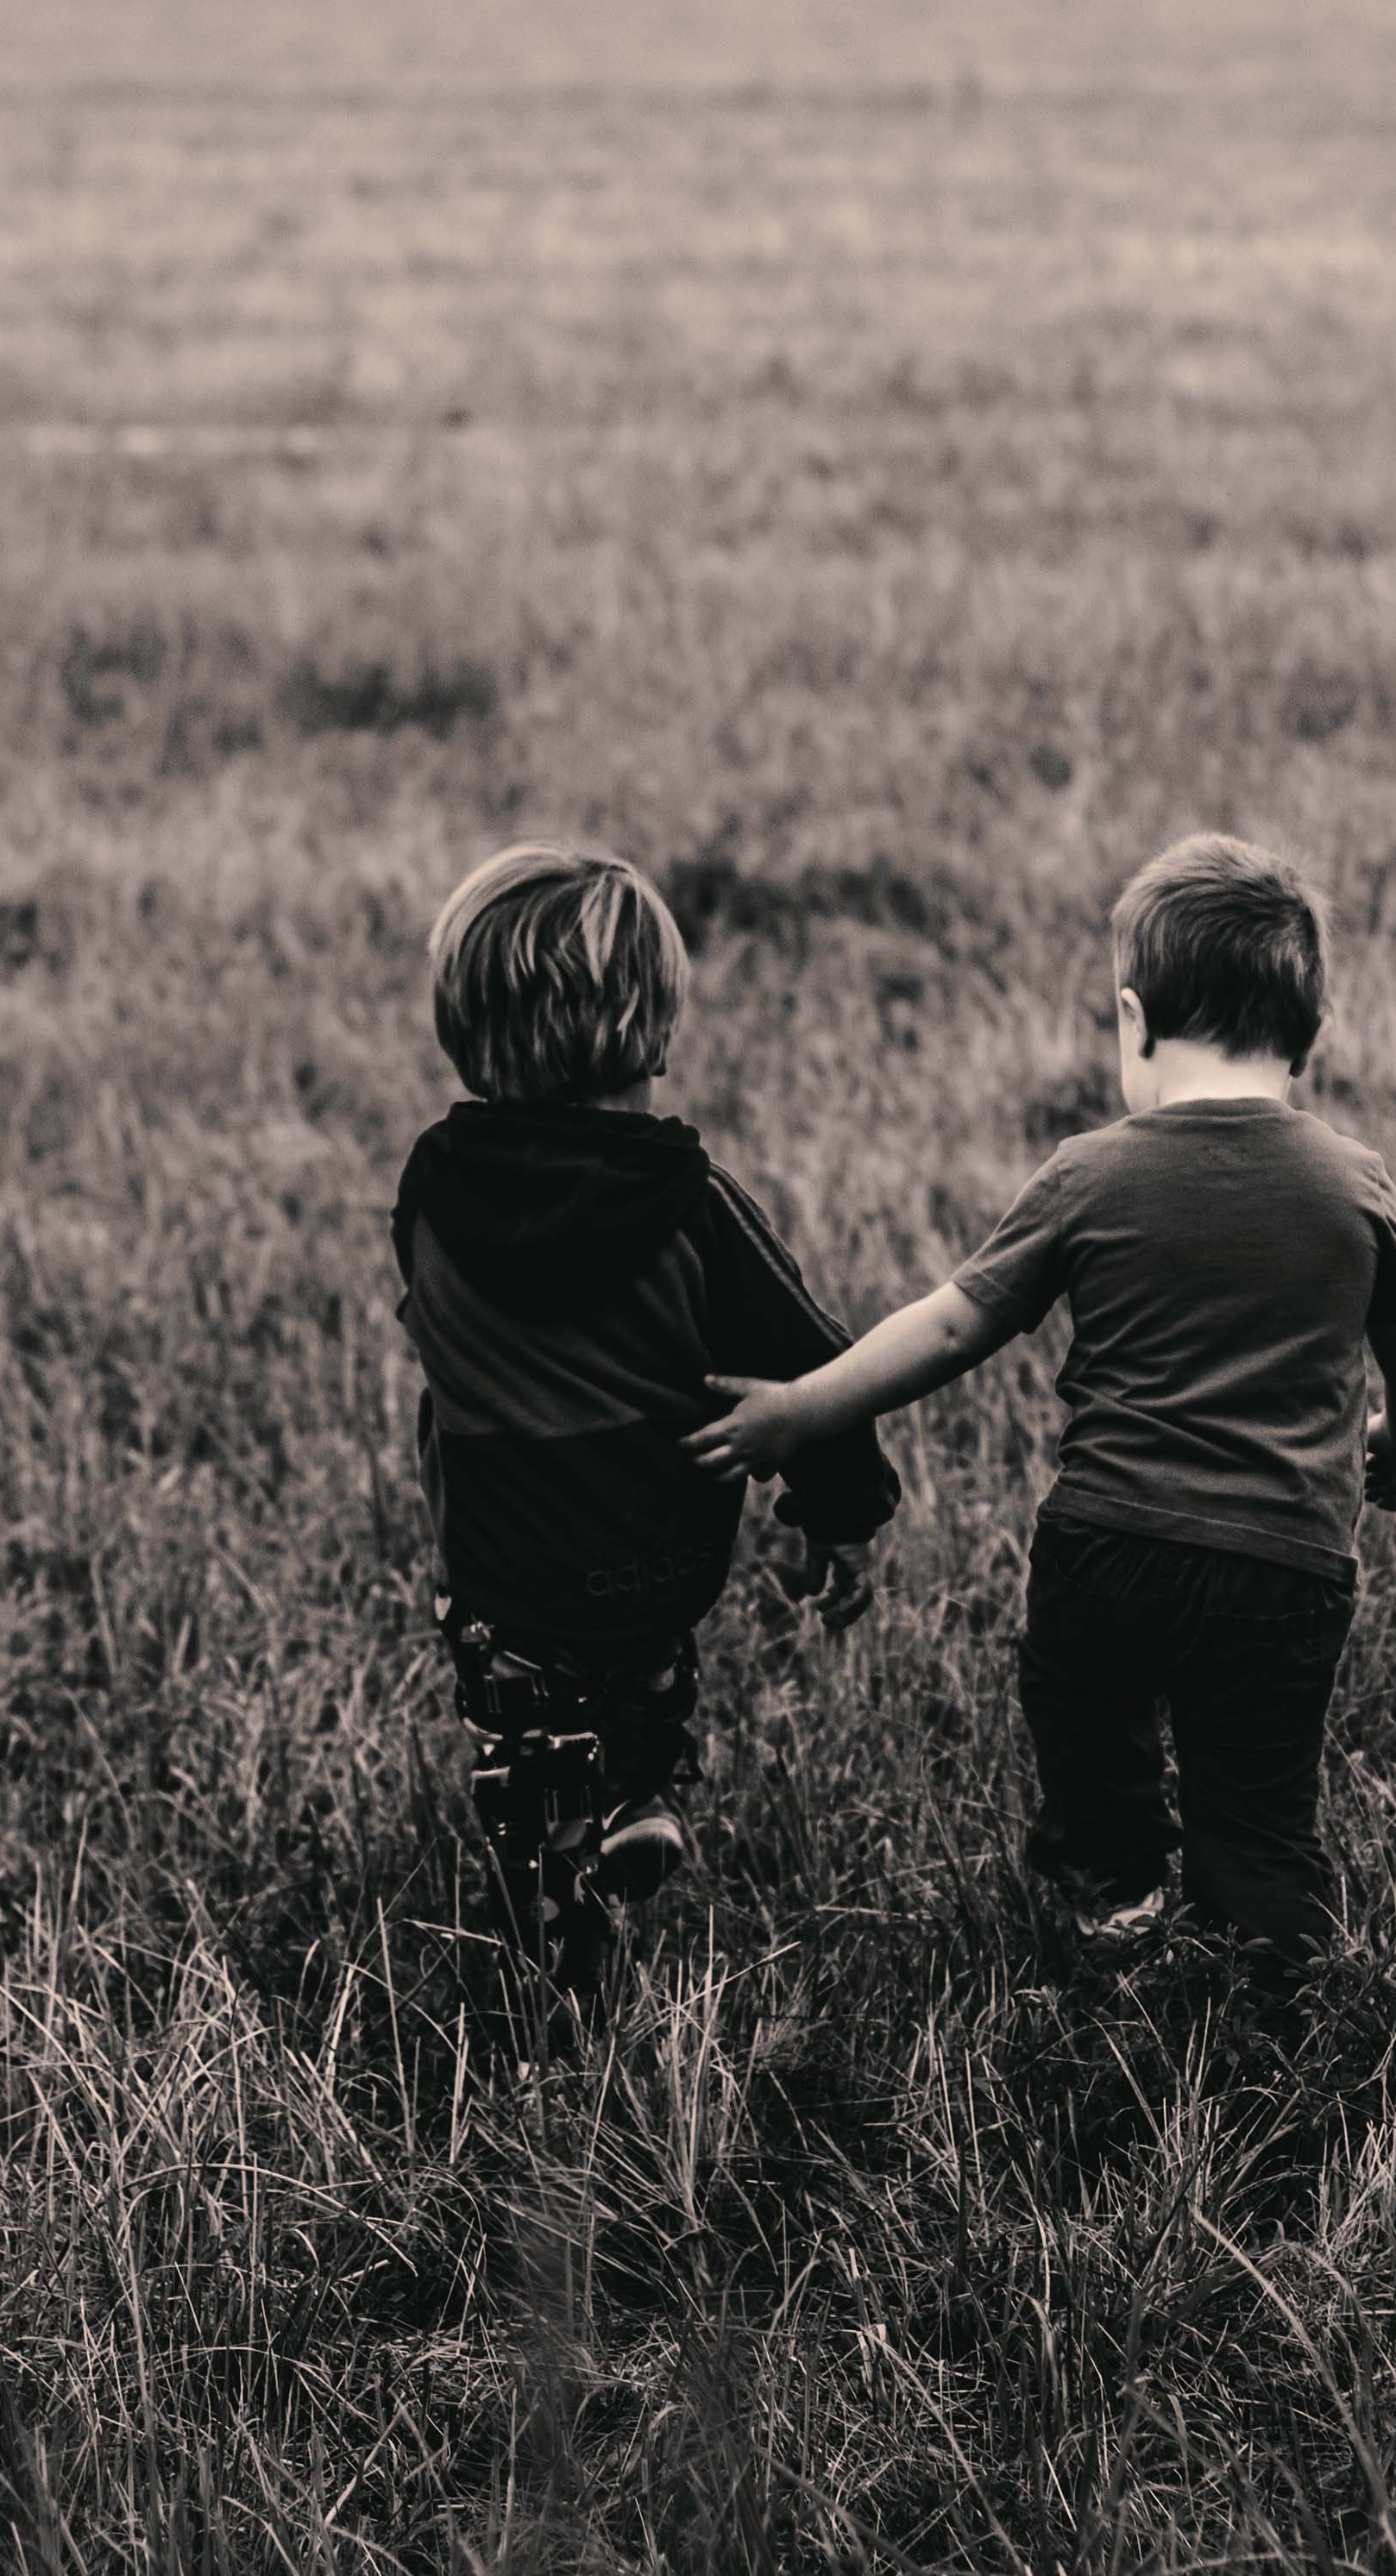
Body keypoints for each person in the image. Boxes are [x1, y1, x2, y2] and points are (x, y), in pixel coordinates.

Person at [688, 833, 1396, 2007]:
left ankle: (1116, 1886)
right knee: (1258, 1796)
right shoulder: (1353, 1182)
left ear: (1135, 1019)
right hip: (1286, 1568)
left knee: (1083, 1711)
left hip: (1109, 1548)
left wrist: (798, 1407)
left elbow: (949, 1329)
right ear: (1314, 1033)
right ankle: (1275, 1968)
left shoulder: (1089, 1173)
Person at [393, 841, 896, 2001]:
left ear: (462, 1030)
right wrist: (843, 1515)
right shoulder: (692, 1205)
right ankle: (637, 1796)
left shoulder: (432, 1189)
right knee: (643, 1680)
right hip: (657, 1557)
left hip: (504, 1574)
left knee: (527, 1764)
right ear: (654, 1032)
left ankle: (558, 1933)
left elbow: (427, 1319)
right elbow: (814, 1365)